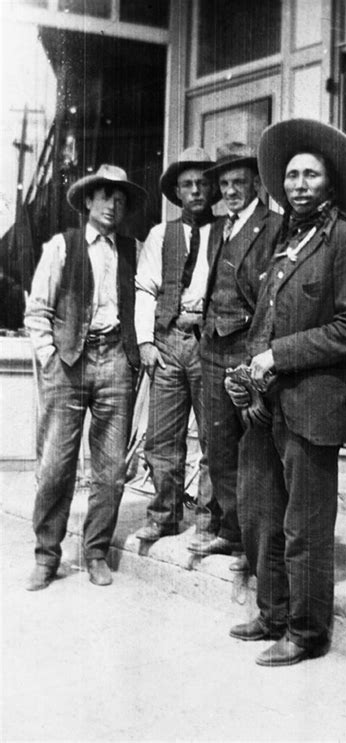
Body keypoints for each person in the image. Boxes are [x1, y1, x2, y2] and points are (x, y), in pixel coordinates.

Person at [226, 119, 346, 665]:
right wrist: (249, 369)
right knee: (262, 514)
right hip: (266, 402)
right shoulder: (283, 240)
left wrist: (277, 356)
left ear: (330, 184)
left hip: (314, 404)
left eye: (311, 174)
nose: (299, 184)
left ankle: (307, 633)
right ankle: (272, 614)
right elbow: (264, 318)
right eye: (291, 175)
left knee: (305, 526)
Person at [24, 164, 147, 590]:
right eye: (104, 196)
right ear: (88, 201)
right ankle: (46, 555)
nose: (112, 205)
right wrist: (51, 358)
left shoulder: (135, 250)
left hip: (116, 359)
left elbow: (146, 304)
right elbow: (37, 310)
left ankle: (95, 551)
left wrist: (135, 356)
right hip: (69, 361)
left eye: (120, 197)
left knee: (111, 470)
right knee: (57, 464)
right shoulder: (63, 245)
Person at [188, 142, 282, 561]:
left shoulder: (275, 225)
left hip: (247, 349)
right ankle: (231, 529)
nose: (230, 190)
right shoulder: (218, 228)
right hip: (212, 347)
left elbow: (274, 296)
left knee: (254, 448)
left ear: (257, 185)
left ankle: (257, 541)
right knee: (218, 442)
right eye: (224, 183)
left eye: (239, 182)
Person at [134, 147, 219, 542]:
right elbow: (145, 290)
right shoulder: (159, 234)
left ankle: (208, 521)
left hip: (211, 343)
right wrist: (146, 343)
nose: (196, 191)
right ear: (178, 192)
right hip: (168, 343)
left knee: (214, 437)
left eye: (203, 183)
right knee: (162, 438)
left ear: (213, 188)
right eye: (188, 184)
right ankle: (164, 515)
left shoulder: (227, 231)